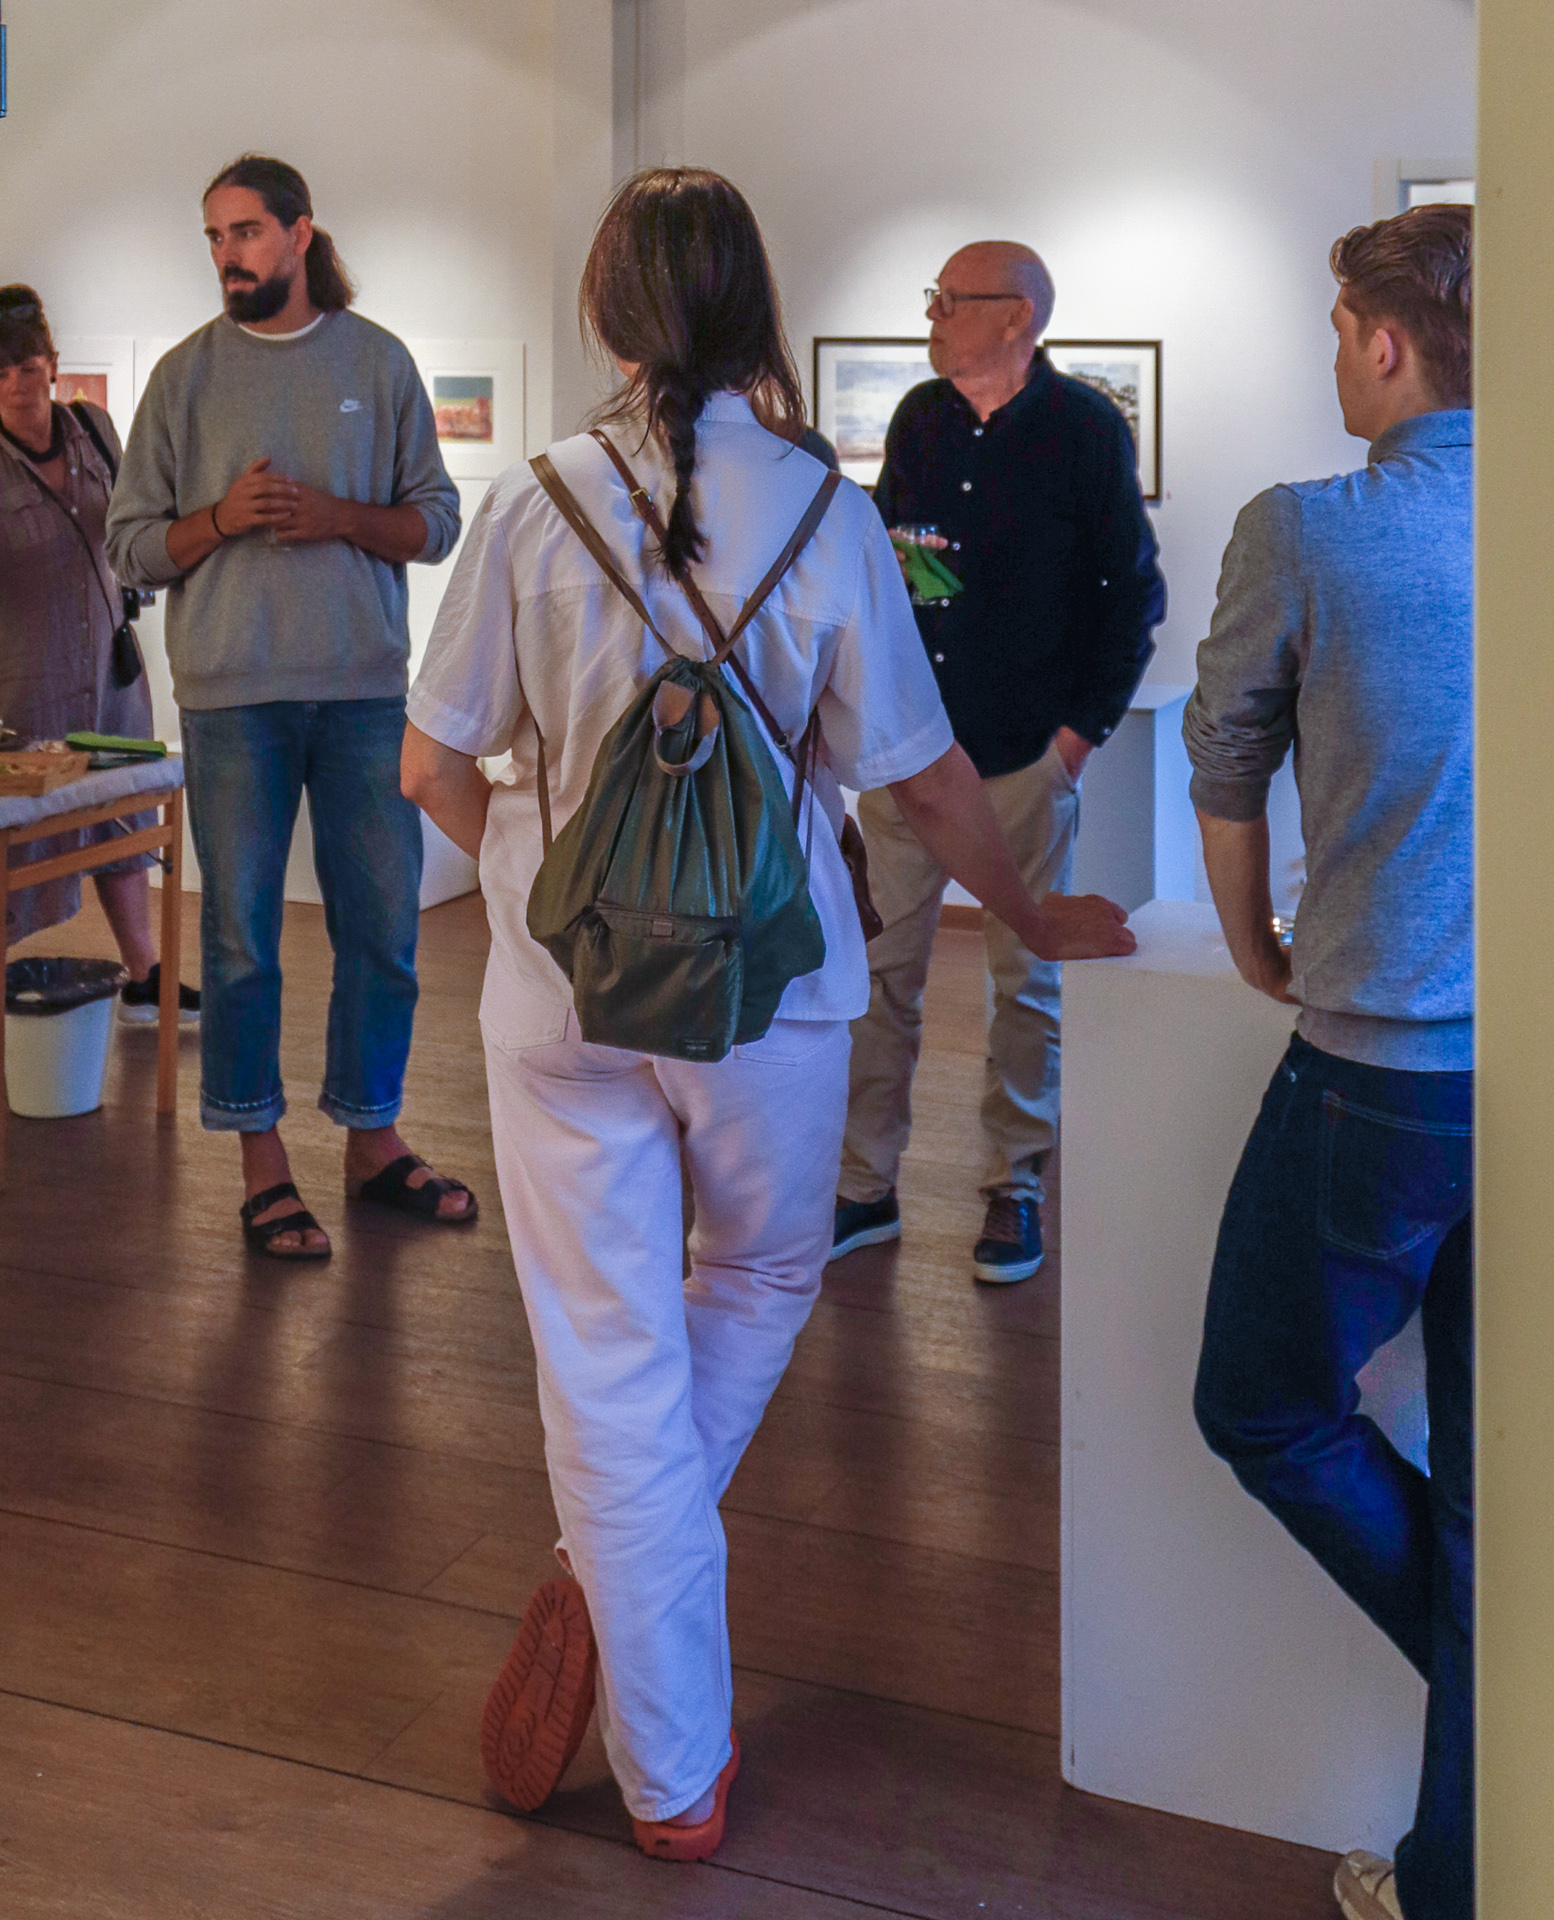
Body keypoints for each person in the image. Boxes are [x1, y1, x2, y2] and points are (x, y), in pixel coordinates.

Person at [402, 167, 1135, 1861]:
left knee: (602, 1348)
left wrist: (530, 886)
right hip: (773, 991)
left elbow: (431, 765)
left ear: (602, 312)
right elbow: (923, 784)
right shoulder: (823, 510)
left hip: (560, 996)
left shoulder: (531, 500)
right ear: (753, 309)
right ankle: (624, 1603)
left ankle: (661, 1739)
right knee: (758, 1274)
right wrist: (1028, 912)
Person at [1186, 204, 1473, 1920]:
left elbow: (1225, 759)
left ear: (1379, 342)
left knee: (1263, 1402)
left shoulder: (1305, 527)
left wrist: (1247, 943)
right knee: (1496, 1485)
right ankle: (1454, 1871)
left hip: (1384, 1067)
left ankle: (1502, 1693)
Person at [104, 155, 471, 1260]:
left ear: (300, 233)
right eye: (214, 237)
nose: (228, 255)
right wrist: (222, 519)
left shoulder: (378, 361)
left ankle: (372, 1140)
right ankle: (261, 1163)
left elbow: (437, 523)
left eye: (247, 232)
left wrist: (338, 516)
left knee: (384, 934)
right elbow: (131, 549)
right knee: (241, 942)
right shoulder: (184, 377)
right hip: (233, 702)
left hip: (363, 694)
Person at [833, 240, 1166, 1283]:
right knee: (878, 974)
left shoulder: (1085, 429)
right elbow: (901, 561)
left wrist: (1076, 741)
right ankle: (862, 1185)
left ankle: (1013, 1186)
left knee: (1026, 979)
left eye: (949, 300)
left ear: (1016, 316)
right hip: (912, 751)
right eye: (932, 298)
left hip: (1026, 756)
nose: (931, 316)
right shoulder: (920, 420)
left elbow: (1130, 596)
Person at [0, 285, 199, 1023]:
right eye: (1, 370)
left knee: (122, 816)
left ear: (52, 364)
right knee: (18, 841)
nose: (16, 383)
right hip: (24, 683)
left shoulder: (93, 429)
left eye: (28, 365)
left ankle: (143, 976)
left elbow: (135, 521)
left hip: (111, 669)